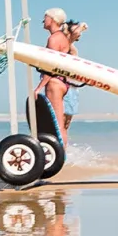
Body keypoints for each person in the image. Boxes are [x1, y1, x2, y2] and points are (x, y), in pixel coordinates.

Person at [39, 8, 86, 145]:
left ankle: (60, 154)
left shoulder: (66, 44)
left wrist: (81, 27)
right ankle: (61, 152)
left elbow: (52, 66)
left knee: (60, 126)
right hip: (68, 88)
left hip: (66, 89)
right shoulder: (66, 42)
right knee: (62, 126)